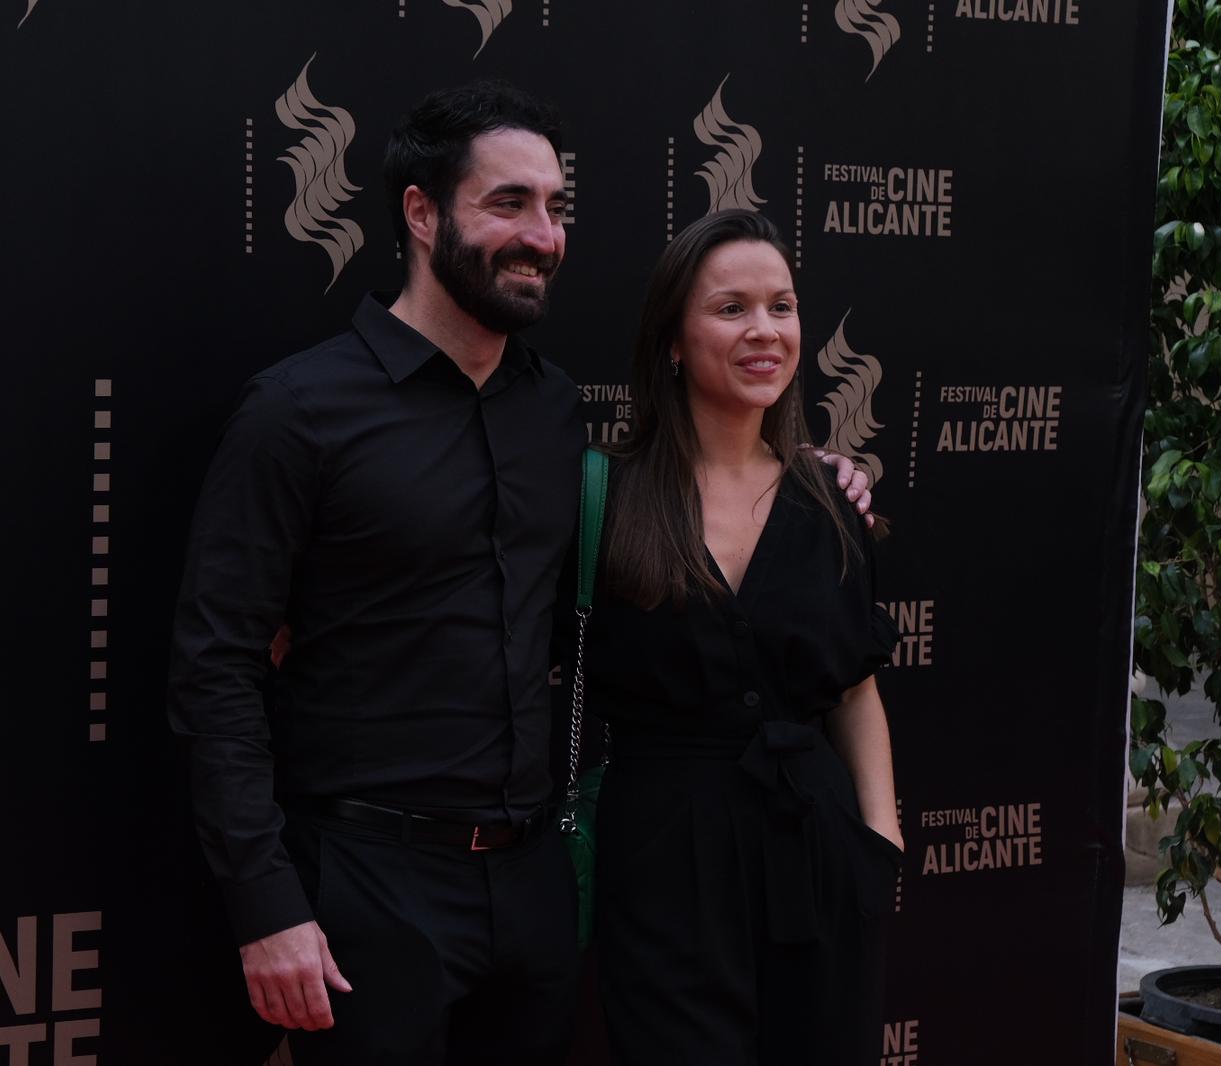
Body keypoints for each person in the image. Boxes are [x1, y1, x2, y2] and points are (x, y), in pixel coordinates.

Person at [168, 81, 874, 1065]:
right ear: (420, 213)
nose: (542, 234)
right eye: (508, 203)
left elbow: (700, 523)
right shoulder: (296, 412)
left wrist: (818, 475)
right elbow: (216, 672)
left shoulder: (551, 417)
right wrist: (265, 904)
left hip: (536, 888)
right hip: (367, 886)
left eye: (554, 207)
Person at [584, 209, 901, 1066]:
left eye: (783, 306)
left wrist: (881, 843)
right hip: (663, 858)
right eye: (731, 308)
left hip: (819, 851)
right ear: (675, 340)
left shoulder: (831, 498)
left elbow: (855, 688)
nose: (765, 330)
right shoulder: (605, 499)